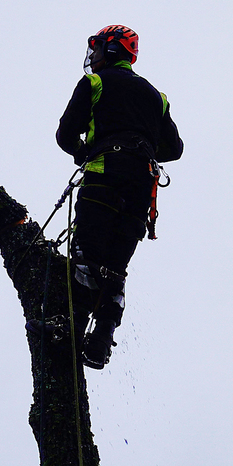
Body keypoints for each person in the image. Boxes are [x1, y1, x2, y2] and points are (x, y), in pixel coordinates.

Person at [55, 24, 183, 369]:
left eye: (96, 48)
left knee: (85, 259)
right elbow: (174, 148)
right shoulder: (157, 96)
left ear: (110, 49)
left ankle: (67, 333)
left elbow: (66, 133)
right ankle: (99, 343)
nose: (92, 56)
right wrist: (140, 145)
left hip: (103, 177)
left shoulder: (95, 83)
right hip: (141, 188)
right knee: (115, 269)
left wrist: (84, 151)